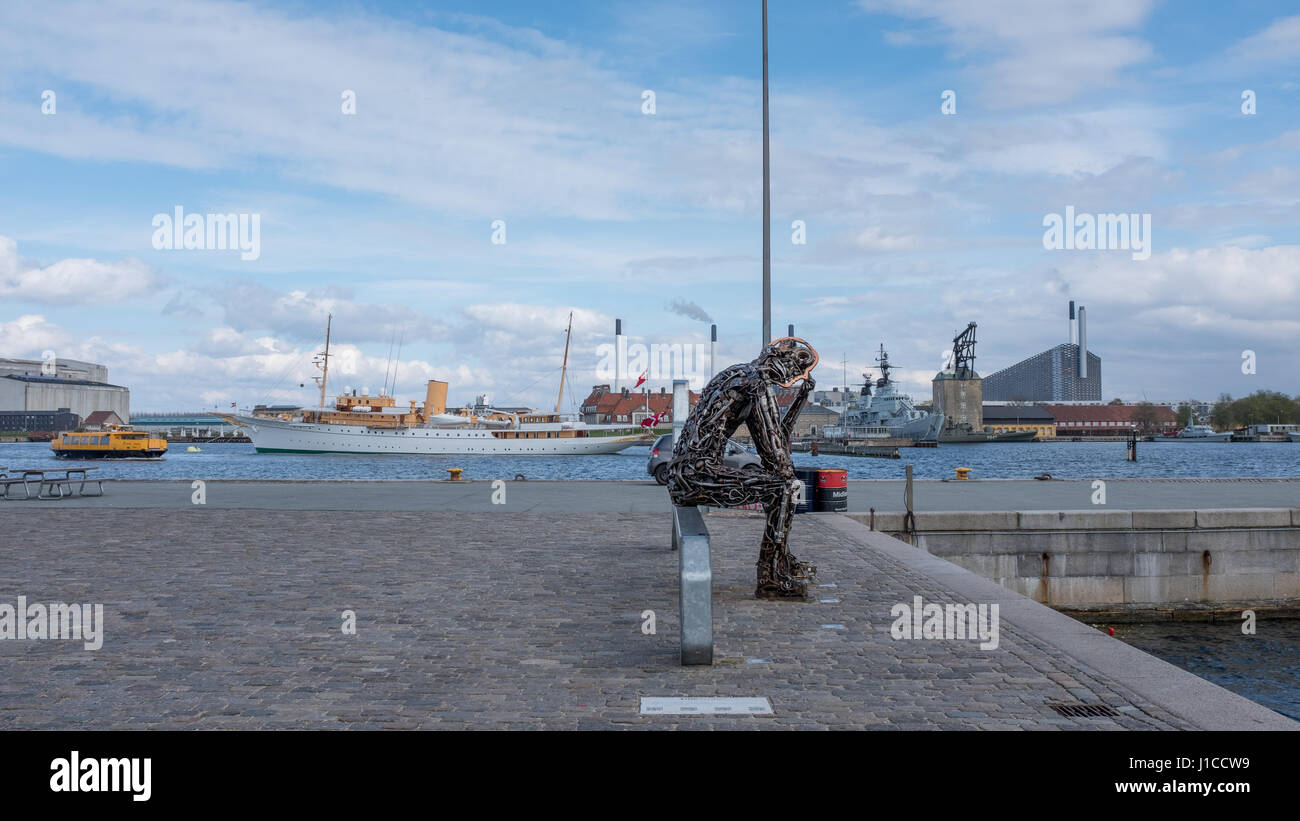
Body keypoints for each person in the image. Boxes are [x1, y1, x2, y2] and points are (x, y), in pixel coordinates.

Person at [667, 337, 819, 598]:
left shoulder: (737, 373)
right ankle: (771, 576)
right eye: (798, 370)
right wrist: (786, 471)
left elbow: (775, 435)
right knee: (786, 487)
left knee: (781, 485)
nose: (798, 377)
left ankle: (780, 561)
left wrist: (798, 401)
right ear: (783, 362)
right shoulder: (757, 385)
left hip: (682, 473)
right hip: (697, 477)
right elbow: (777, 457)